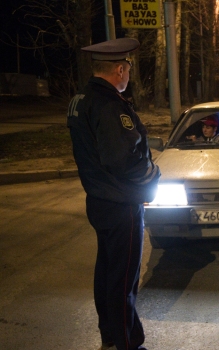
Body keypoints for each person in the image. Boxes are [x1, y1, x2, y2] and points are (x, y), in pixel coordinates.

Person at [67, 38, 160, 350]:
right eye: (128, 71)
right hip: (122, 204)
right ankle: (125, 344)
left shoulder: (82, 98)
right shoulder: (109, 105)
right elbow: (122, 159)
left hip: (100, 200)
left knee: (107, 274)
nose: (128, 76)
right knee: (123, 281)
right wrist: (151, 178)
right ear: (120, 69)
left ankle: (111, 337)